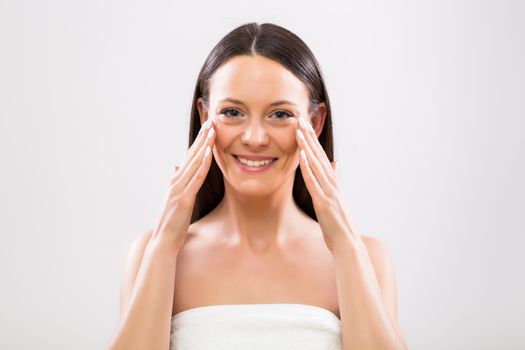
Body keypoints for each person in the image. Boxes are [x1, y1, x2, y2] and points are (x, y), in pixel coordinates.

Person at [108, 22, 408, 350]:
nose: (254, 138)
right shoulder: (153, 253)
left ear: (316, 122)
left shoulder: (367, 257)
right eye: (232, 112)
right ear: (204, 113)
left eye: (280, 114)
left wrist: (346, 245)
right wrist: (165, 244)